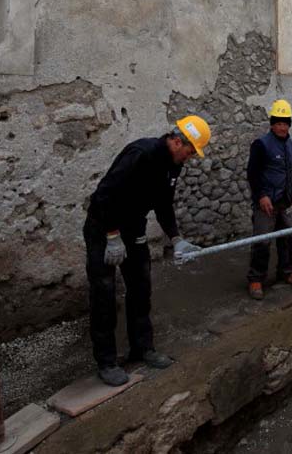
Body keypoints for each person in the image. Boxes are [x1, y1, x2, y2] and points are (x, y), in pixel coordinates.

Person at [83, 115, 209, 386]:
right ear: (178, 141)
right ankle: (106, 361)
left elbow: (164, 204)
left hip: (133, 227)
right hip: (103, 226)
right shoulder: (140, 154)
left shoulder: (173, 166)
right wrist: (112, 235)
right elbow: (104, 195)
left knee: (140, 287)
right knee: (104, 293)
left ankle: (142, 347)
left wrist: (176, 238)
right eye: (190, 151)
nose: (190, 158)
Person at [245, 99, 292, 300]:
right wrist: (261, 196)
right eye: (278, 123)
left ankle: (286, 272)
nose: (282, 127)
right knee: (262, 242)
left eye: (285, 123)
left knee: (288, 239)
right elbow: (252, 173)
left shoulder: (291, 145)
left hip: (284, 201)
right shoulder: (261, 144)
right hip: (266, 204)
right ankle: (256, 279)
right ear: (272, 124)